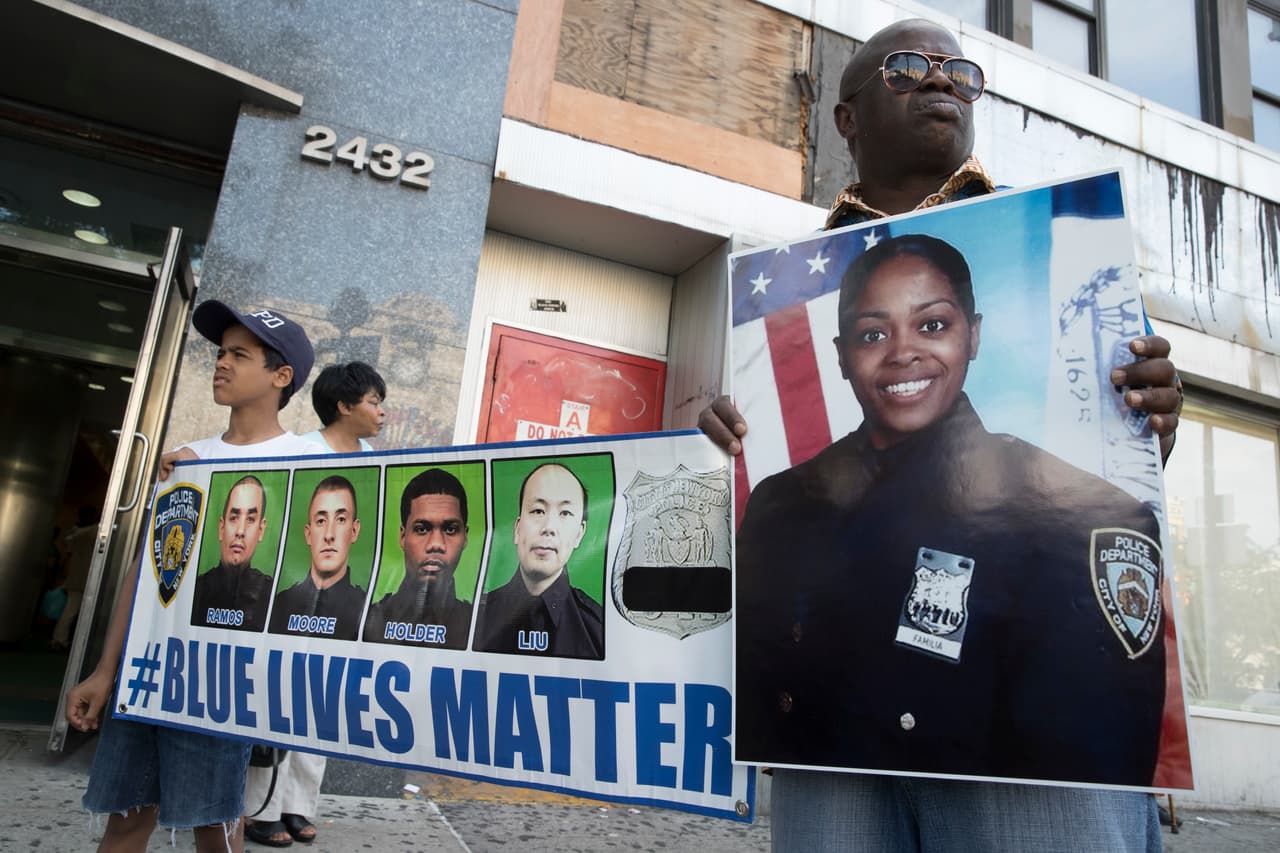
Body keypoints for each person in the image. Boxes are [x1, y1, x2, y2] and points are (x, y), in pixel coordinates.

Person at [698, 19, 1183, 853]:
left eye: (961, 71)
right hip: (834, 764)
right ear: (844, 117)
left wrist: (1145, 420)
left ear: (975, 333)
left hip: (1031, 778)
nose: (942, 81)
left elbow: (1115, 534)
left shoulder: (1076, 266)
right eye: (909, 68)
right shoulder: (772, 317)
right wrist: (717, 454)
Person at [736, 233, 1166, 786]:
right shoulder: (782, 503)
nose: (902, 351)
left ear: (974, 336)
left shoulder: (1082, 519)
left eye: (932, 325)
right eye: (873, 333)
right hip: (830, 797)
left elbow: (1095, 760)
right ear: (842, 358)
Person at [67, 299, 318, 853]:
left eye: (240, 355)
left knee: (216, 830)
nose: (221, 363)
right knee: (126, 819)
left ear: (281, 376)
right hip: (151, 677)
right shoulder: (187, 463)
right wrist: (105, 670)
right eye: (221, 352)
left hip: (226, 689)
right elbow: (147, 573)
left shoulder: (307, 467)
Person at [245, 363, 387, 847]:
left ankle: (297, 807)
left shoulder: (374, 459)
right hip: (293, 597)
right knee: (277, 703)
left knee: (321, 706)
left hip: (343, 603)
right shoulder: (300, 450)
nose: (380, 411)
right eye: (372, 400)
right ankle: (258, 808)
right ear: (345, 406)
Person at [473, 463, 604, 659]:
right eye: (537, 511)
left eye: (565, 513)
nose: (549, 527)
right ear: (517, 529)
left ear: (579, 534)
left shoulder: (599, 629)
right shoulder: (475, 617)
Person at [363, 468, 476, 649]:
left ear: (465, 537)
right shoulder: (369, 621)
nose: (436, 544)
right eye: (422, 529)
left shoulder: (478, 627)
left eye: (450, 529)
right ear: (403, 536)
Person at [267, 475, 367, 641]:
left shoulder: (367, 610)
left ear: (354, 531)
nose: (329, 535)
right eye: (321, 521)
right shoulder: (279, 606)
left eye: (341, 519)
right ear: (308, 534)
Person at [190, 476, 273, 632]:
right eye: (234, 518)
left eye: (250, 519)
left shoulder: (272, 598)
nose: (240, 531)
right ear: (221, 528)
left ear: (260, 530)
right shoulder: (193, 591)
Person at [302, 361, 385, 453]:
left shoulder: (368, 452)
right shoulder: (305, 449)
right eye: (374, 403)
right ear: (345, 407)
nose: (382, 412)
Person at [52, 506, 98, 649]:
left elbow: (68, 554)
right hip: (88, 577)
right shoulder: (94, 531)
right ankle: (63, 640)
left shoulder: (73, 533)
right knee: (78, 612)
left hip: (75, 577)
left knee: (70, 611)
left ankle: (60, 639)